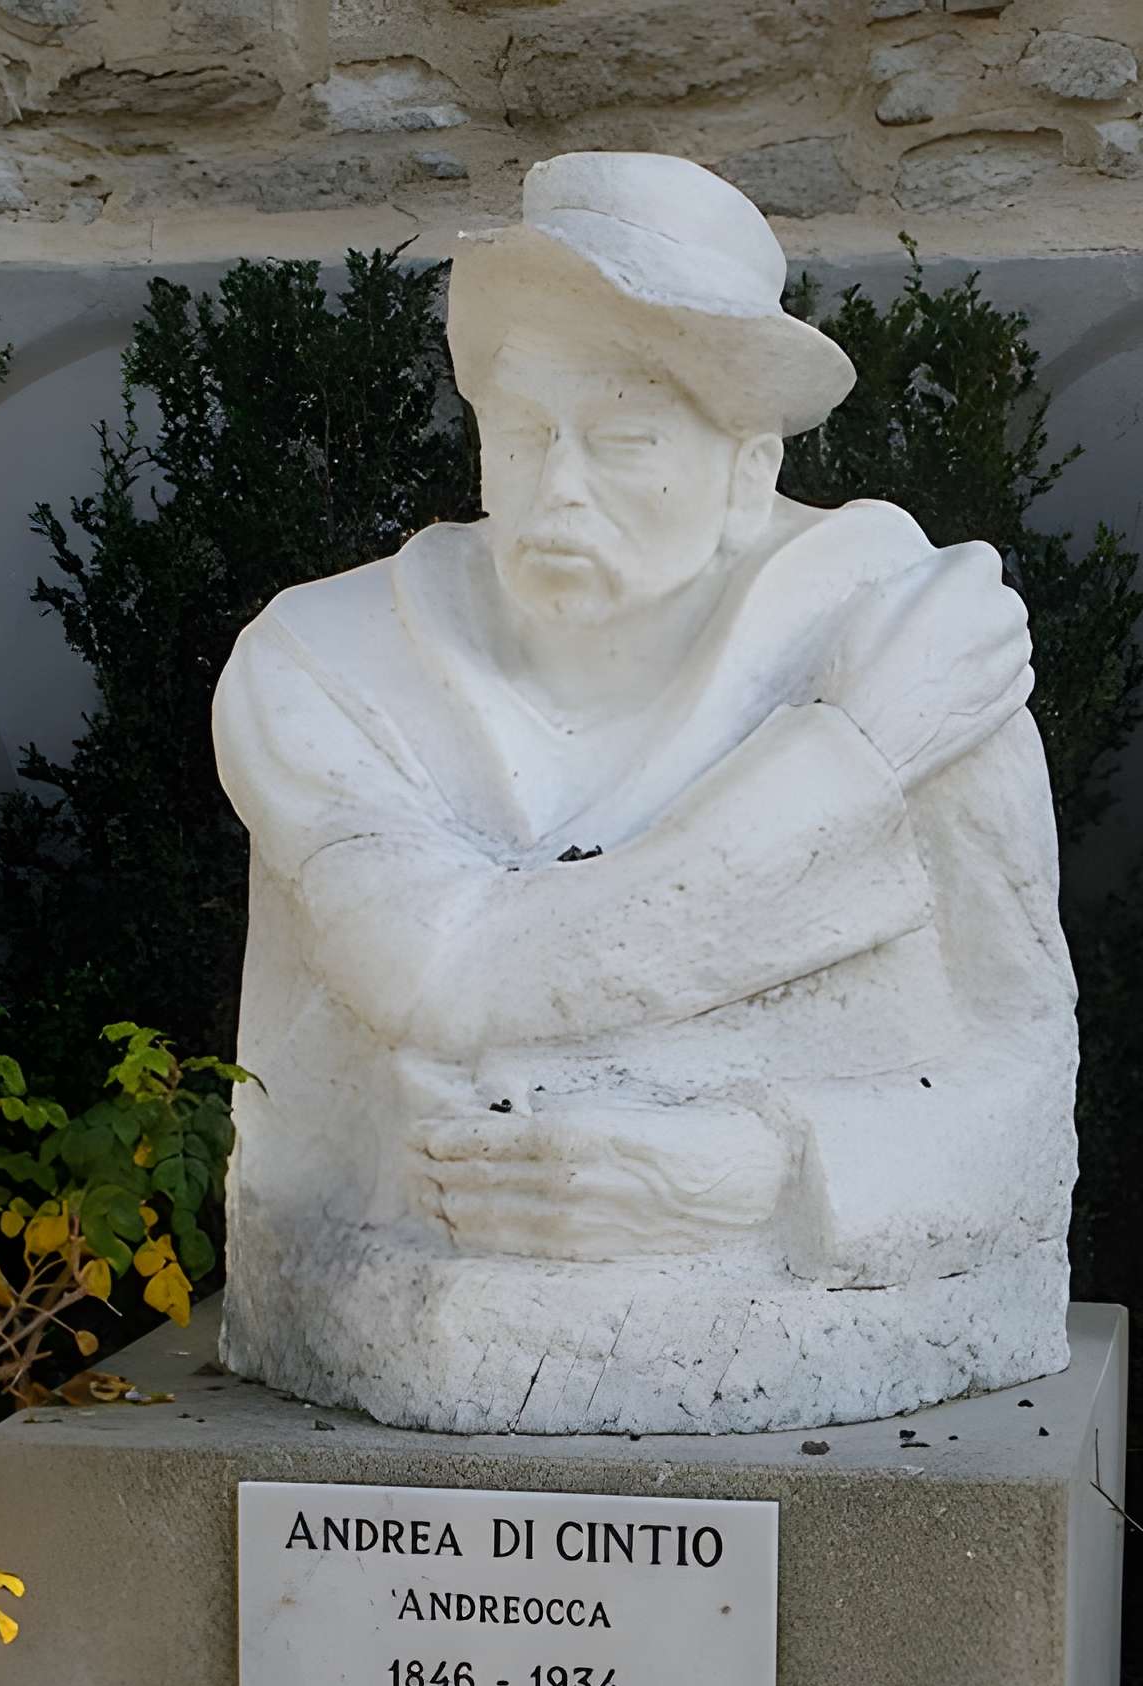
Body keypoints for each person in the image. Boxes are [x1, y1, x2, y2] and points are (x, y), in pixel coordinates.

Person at [212, 151, 1078, 1435]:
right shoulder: (327, 667)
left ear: (745, 471)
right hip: (399, 1299)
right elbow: (443, 980)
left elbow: (1024, 1082)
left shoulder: (908, 646)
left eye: (622, 443)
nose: (558, 488)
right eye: (523, 434)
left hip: (797, 1322)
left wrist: (768, 1172)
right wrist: (850, 763)